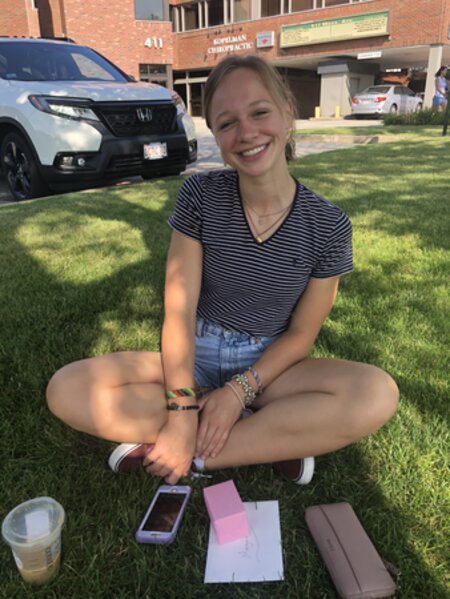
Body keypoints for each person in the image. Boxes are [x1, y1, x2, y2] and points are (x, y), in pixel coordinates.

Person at [46, 55, 399, 486]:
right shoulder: (200, 195)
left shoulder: (329, 225)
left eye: (260, 112)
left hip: (267, 370)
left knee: (374, 394)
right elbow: (179, 310)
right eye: (227, 122)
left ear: (288, 112)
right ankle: (264, 436)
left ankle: (196, 450)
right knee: (67, 389)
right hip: (192, 358)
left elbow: (301, 336)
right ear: (215, 133)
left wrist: (237, 392)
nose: (246, 133)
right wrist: (181, 408)